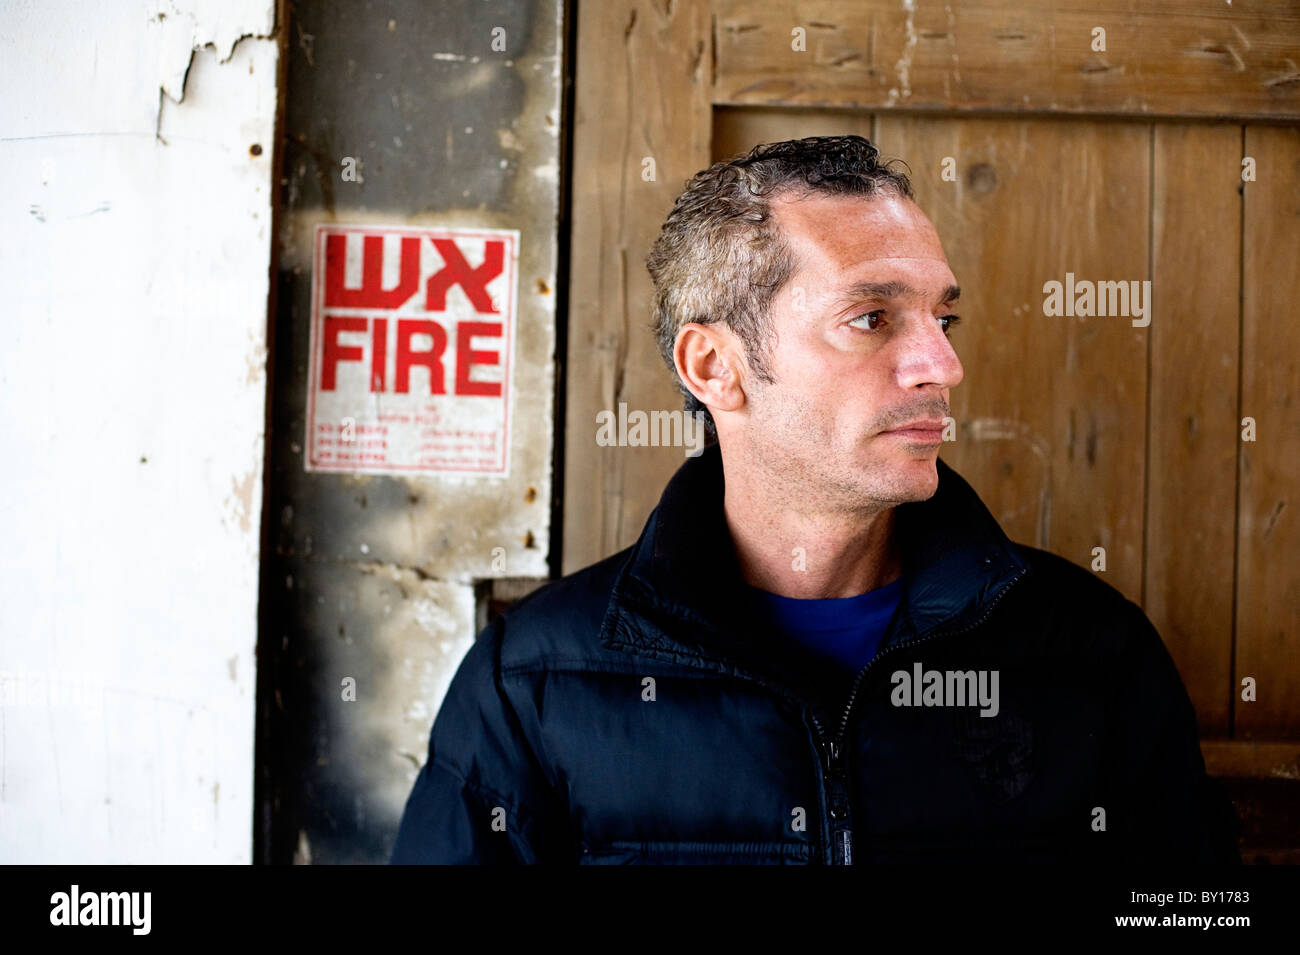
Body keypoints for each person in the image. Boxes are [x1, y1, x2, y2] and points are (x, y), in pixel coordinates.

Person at [390, 135, 1240, 864]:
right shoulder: (535, 684)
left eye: (943, 320)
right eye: (871, 317)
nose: (942, 368)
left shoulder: (1091, 653)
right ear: (714, 367)